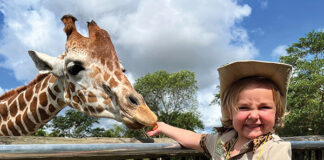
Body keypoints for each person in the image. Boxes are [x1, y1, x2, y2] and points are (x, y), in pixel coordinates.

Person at [146, 60, 292, 160]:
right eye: (243, 108)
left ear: (277, 113)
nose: (253, 115)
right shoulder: (222, 141)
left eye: (264, 107)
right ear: (230, 112)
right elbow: (193, 138)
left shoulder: (275, 150)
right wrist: (163, 127)